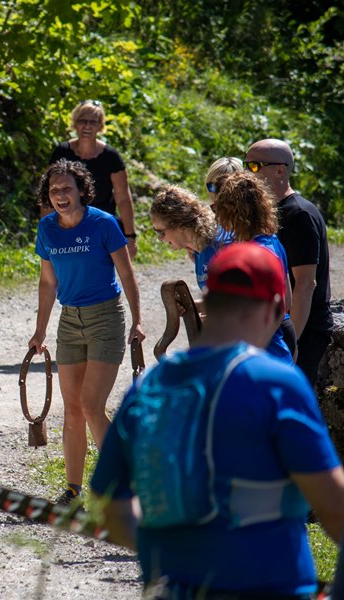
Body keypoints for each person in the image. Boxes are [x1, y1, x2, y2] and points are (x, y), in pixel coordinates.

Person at [91, 242, 344, 599]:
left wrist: (176, 549)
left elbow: (110, 507)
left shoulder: (148, 387)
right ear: (275, 308)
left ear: (207, 302)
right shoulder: (274, 384)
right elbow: (335, 510)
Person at [27, 159, 144, 506]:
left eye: (67, 188)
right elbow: (48, 282)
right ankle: (73, 491)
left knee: (92, 406)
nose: (60, 195)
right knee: (73, 409)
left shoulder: (104, 224)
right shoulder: (47, 228)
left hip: (106, 318)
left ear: (81, 190)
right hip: (69, 322)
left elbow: (127, 274)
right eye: (54, 190)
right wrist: (39, 331)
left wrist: (137, 320)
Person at [245, 138, 332, 386]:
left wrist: (290, 343)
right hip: (281, 329)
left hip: (305, 330)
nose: (247, 173)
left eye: (254, 166)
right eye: (245, 165)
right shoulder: (274, 212)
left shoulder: (299, 215)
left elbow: (305, 284)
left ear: (280, 170)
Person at [213, 171, 296, 364]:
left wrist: (251, 349)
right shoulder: (273, 242)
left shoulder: (256, 253)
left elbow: (277, 307)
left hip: (265, 356)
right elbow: (287, 300)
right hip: (279, 350)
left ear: (231, 212)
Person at [48, 100, 138, 259]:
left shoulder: (111, 157)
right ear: (75, 123)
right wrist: (47, 230)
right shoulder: (61, 153)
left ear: (100, 125)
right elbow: (49, 193)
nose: (87, 126)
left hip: (102, 227)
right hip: (67, 225)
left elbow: (123, 198)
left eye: (93, 122)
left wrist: (130, 235)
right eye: (82, 121)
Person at [150, 185, 232, 292]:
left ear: (179, 224)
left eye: (160, 232)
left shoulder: (221, 246)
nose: (160, 238)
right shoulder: (197, 251)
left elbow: (240, 296)